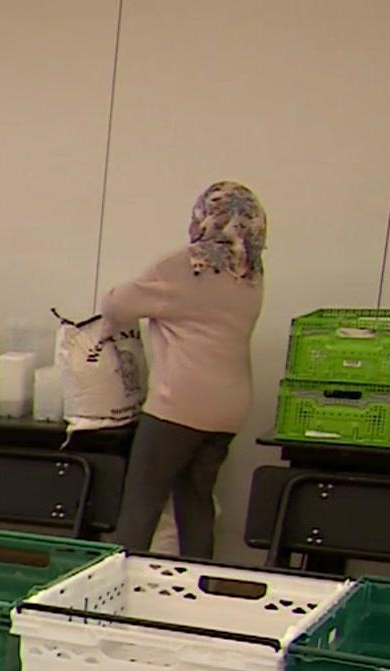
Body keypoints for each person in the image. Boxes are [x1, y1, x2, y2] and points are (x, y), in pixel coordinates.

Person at [100, 181, 267, 558]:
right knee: (195, 503)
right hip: (229, 409)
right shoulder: (251, 272)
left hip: (179, 404)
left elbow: (117, 305)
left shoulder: (186, 265)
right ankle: (197, 593)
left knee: (141, 507)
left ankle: (115, 596)